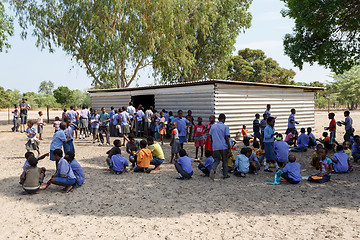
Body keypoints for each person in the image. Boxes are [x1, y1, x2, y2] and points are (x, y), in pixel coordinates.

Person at [209, 114, 231, 180]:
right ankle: (225, 174)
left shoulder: (213, 126)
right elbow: (227, 137)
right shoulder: (225, 127)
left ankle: (213, 169)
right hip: (223, 146)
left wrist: (213, 144)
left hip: (215, 146)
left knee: (216, 160)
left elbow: (210, 137)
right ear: (224, 119)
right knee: (225, 161)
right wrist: (229, 147)